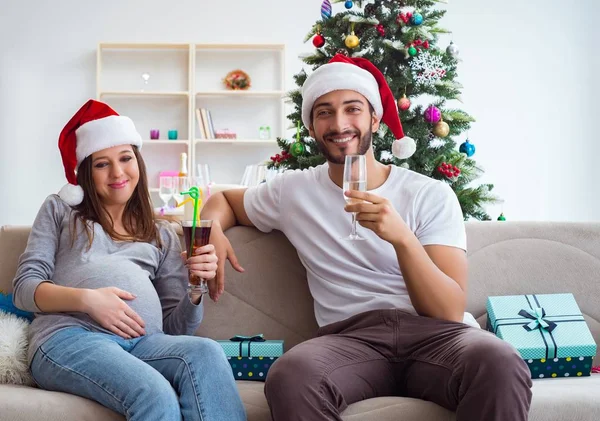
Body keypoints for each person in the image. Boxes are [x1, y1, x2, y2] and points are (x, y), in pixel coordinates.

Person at [200, 54, 532, 421]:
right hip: (349, 341)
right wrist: (212, 229)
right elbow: (225, 200)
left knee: (500, 361)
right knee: (292, 375)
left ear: (374, 117)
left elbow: (448, 311)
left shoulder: (429, 194)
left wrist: (402, 238)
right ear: (310, 127)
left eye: (352, 109)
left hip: (437, 336)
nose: (339, 124)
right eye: (324, 112)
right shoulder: (293, 191)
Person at [12, 99, 246, 421]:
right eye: (101, 164)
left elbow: (176, 328)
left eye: (125, 158)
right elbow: (25, 289)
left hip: (146, 343)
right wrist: (89, 301)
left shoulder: (161, 233)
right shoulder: (60, 210)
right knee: (154, 393)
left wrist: (195, 286)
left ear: (138, 161)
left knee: (207, 352)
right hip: (71, 338)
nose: (118, 172)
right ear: (86, 173)